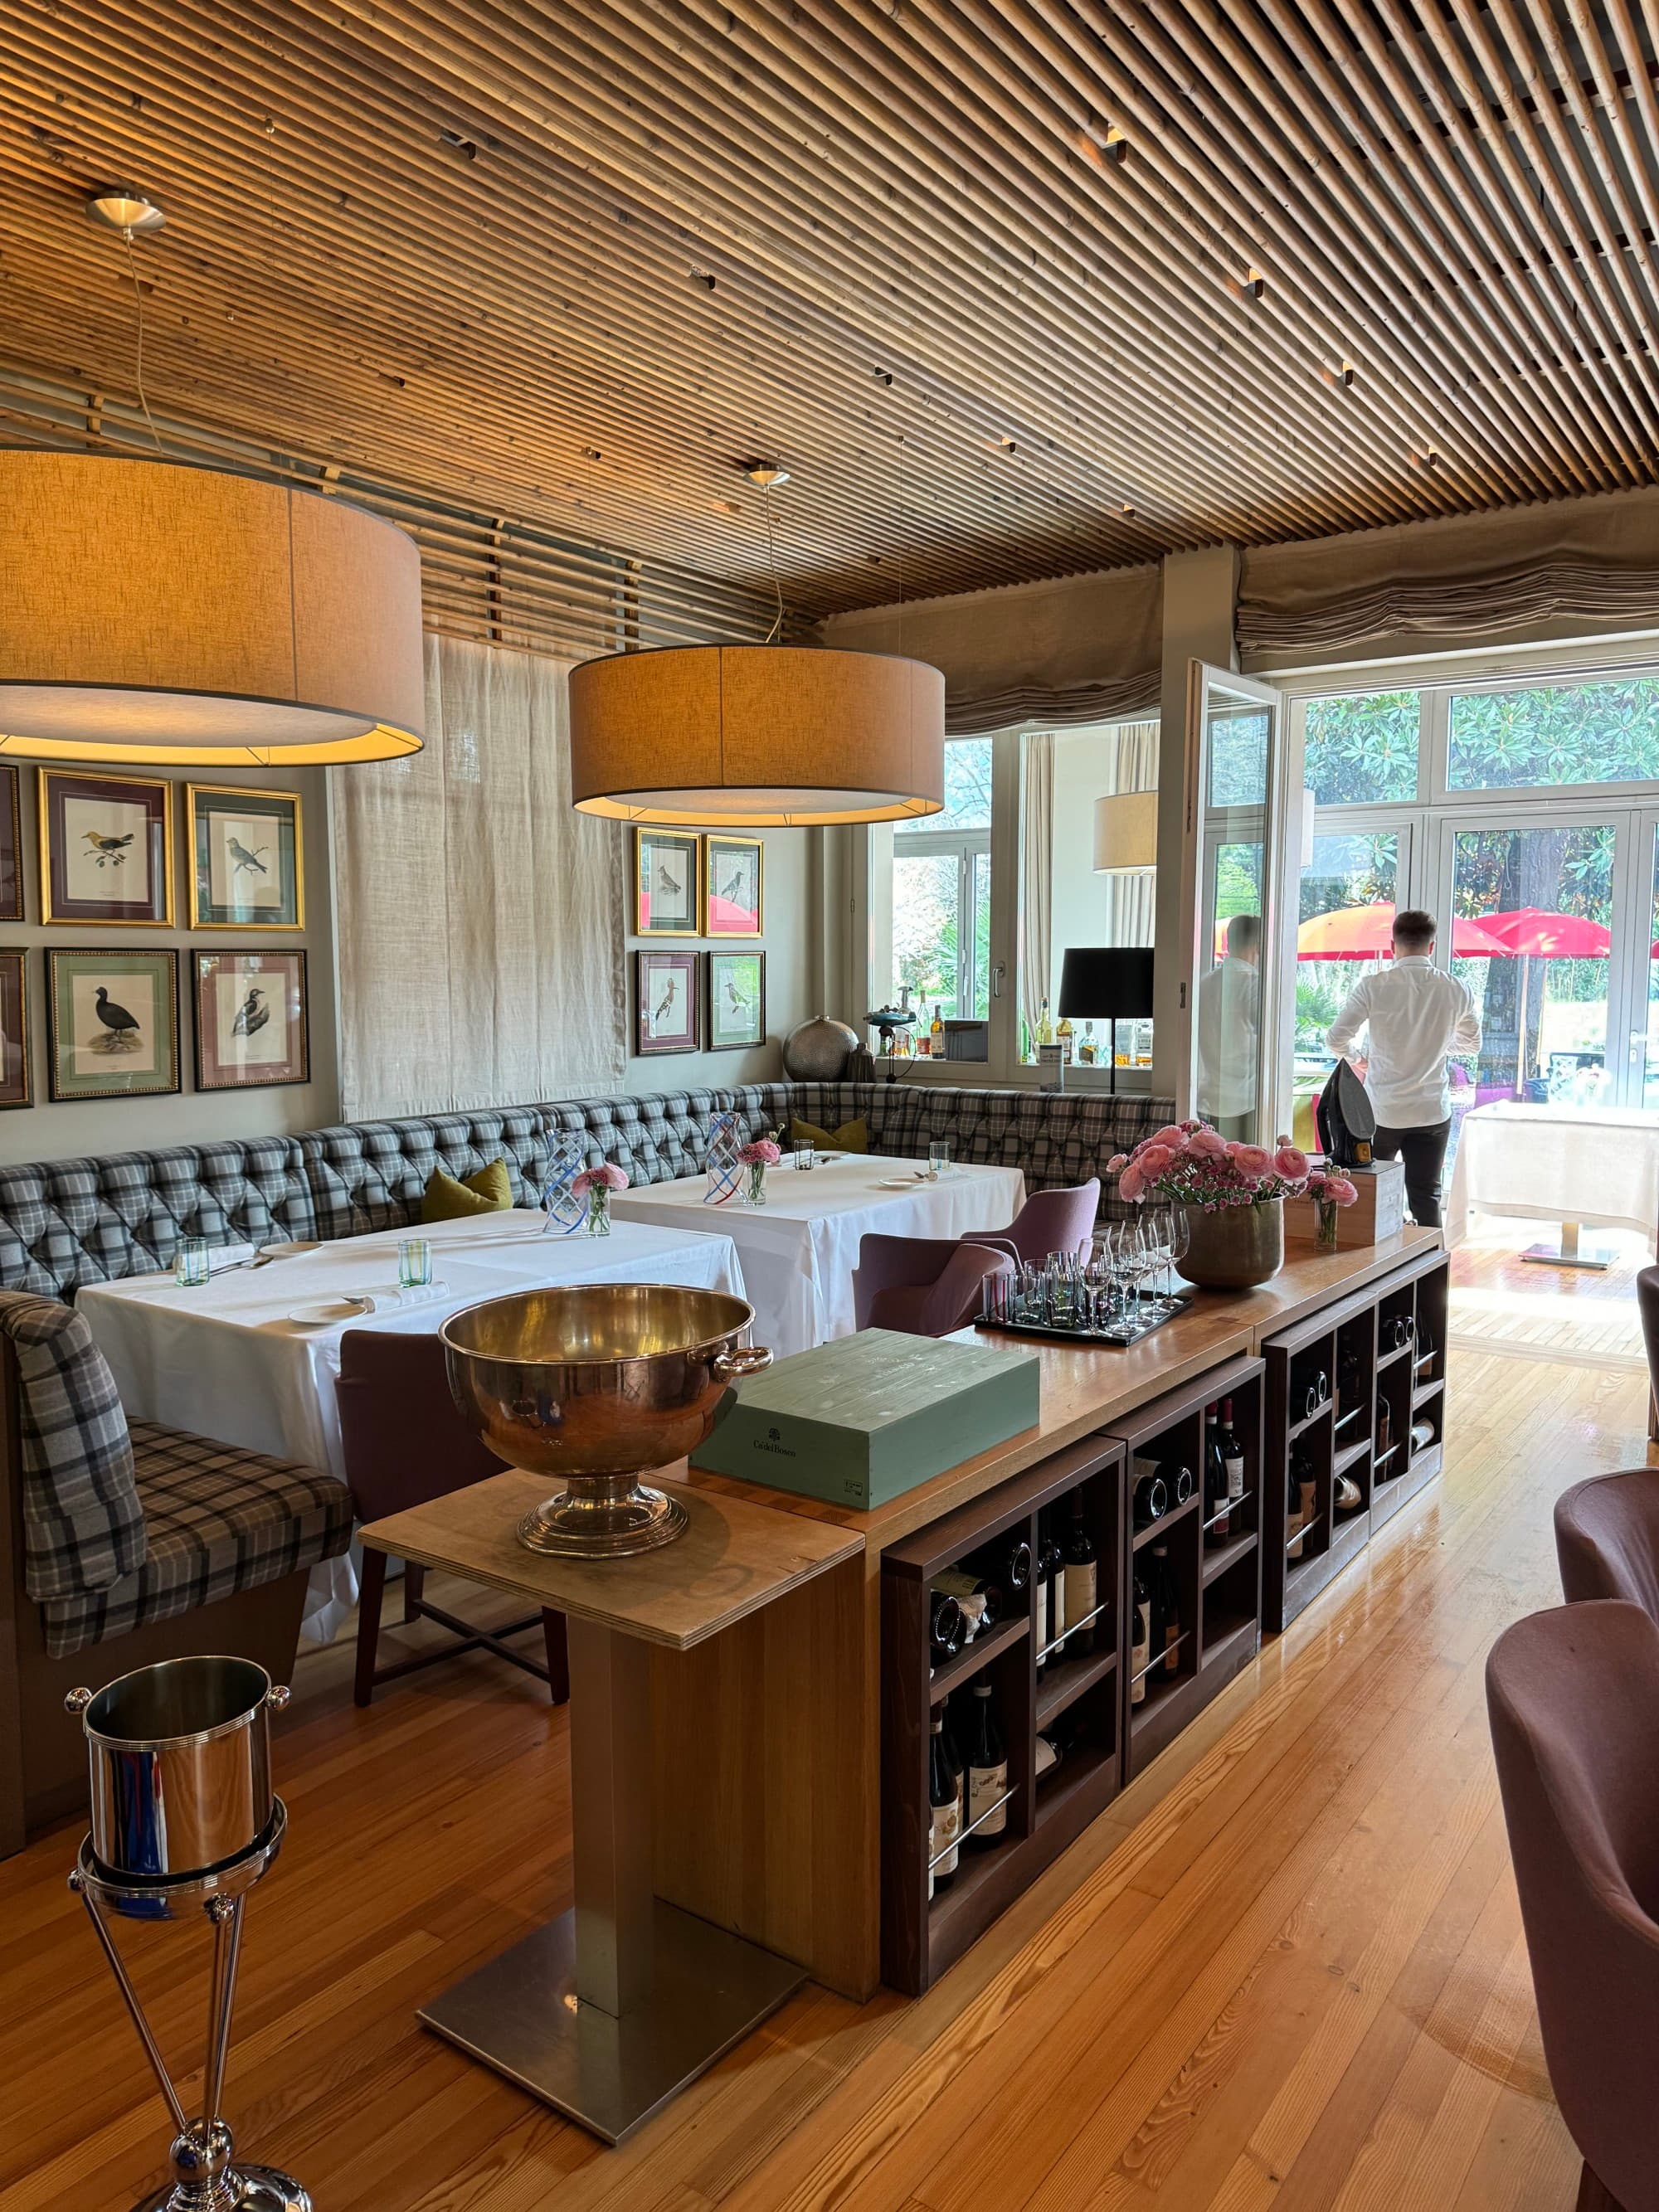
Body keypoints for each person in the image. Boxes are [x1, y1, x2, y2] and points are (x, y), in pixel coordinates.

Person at [1326, 909, 1481, 1228]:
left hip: (1380, 1113)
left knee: (1375, 1196)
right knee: (1427, 1195)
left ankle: (1381, 1258)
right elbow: (1472, 1044)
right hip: (1431, 1111)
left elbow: (1336, 1038)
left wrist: (1358, 1058)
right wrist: (1436, 1046)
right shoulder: (1456, 988)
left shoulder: (1373, 986)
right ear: (1431, 946)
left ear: (1392, 944)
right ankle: (1432, 1261)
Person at [1196, 912, 1261, 1140]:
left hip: (1209, 1098)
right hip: (1246, 1101)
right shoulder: (1254, 986)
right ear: (1258, 945)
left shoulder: (1204, 984)